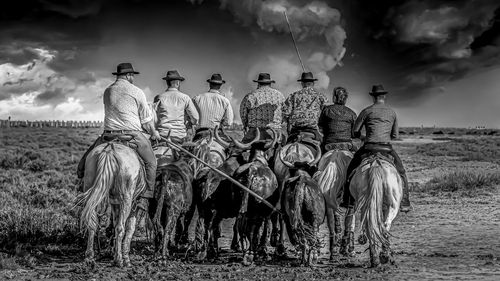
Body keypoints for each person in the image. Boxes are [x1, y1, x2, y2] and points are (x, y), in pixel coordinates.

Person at [76, 62, 160, 210]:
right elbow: (146, 120)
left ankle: (81, 183)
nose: (133, 78)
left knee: (86, 159)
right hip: (131, 135)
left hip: (108, 135)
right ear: (128, 75)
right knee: (152, 162)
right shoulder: (137, 91)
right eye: (132, 75)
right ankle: (146, 197)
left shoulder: (108, 91)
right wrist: (154, 132)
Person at [340, 84, 411, 212]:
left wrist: (362, 136)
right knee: (401, 173)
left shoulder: (367, 111)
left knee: (351, 170)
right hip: (386, 149)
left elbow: (355, 132)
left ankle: (347, 200)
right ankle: (405, 202)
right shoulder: (392, 112)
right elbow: (395, 135)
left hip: (368, 148)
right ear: (384, 96)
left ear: (373, 97)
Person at [154, 70, 199, 143]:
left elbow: (153, 117)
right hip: (179, 136)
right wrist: (190, 122)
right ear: (178, 83)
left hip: (161, 136)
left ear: (167, 83)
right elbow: (195, 118)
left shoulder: (158, 97)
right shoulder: (185, 98)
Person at [283, 72, 327, 143]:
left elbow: (286, 114)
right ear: (313, 83)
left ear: (302, 83)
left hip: (296, 130)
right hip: (313, 130)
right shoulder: (321, 97)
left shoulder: (293, 95)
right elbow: (326, 113)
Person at [240, 73, 285, 143]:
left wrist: (245, 125)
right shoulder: (279, 95)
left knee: (239, 150)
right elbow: (284, 113)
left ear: (258, 84)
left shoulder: (251, 95)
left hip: (254, 132)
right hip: (274, 132)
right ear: (270, 84)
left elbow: (243, 113)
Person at [192, 73, 233, 142]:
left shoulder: (197, 98)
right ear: (220, 86)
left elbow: (192, 117)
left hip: (200, 133)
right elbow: (228, 122)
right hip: (217, 134)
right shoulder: (225, 101)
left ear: (210, 84)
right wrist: (222, 122)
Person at [318, 87, 357, 152]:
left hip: (329, 144)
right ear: (345, 99)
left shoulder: (327, 110)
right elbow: (353, 133)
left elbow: (321, 126)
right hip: (346, 145)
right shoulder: (352, 113)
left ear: (335, 97)